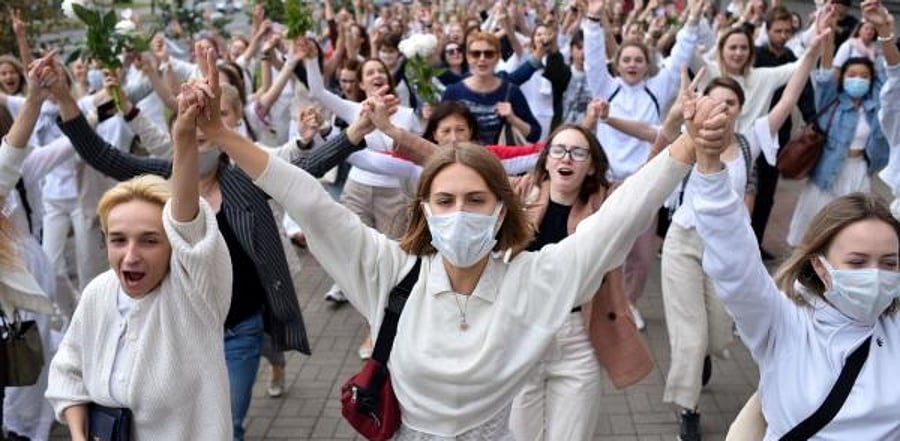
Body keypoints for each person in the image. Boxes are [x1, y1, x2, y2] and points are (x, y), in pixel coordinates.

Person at [191, 46, 730, 439]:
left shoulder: (536, 279)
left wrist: (686, 144)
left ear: (502, 211)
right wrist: (220, 137)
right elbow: (306, 197)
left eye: (475, 201)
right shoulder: (389, 270)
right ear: (425, 210)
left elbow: (620, 217)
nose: (459, 214)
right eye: (445, 201)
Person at [49, 47, 374, 441]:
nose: (203, 135)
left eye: (213, 125)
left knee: (228, 424)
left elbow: (302, 171)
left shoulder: (243, 179)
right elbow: (103, 155)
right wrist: (65, 98)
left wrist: (355, 133)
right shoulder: (161, 183)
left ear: (229, 129)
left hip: (238, 324)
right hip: (178, 327)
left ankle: (274, 364)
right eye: (193, 133)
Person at [660, 19, 830, 439]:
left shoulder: (753, 139)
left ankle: (700, 358)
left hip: (728, 252)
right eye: (714, 102)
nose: (722, 109)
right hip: (682, 244)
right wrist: (676, 117)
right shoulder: (688, 136)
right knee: (691, 335)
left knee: (719, 333)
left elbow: (789, 94)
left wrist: (812, 48)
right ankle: (688, 408)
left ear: (739, 108)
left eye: (730, 103)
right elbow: (658, 141)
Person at [690, 109, 900, 440]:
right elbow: (735, 262)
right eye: (857, 262)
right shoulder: (782, 323)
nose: (875, 276)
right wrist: (708, 166)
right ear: (820, 266)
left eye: (889, 264)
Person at [46, 72, 234, 440]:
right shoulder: (99, 291)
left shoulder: (193, 297)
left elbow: (188, 225)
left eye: (149, 241)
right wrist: (79, 432)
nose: (130, 256)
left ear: (173, 246)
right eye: (118, 240)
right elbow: (69, 369)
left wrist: (183, 138)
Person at [508, 124, 652, 440]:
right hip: (521, 335)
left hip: (577, 339)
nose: (567, 158)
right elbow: (460, 170)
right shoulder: (522, 193)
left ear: (590, 167)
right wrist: (393, 132)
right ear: (546, 160)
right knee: (518, 435)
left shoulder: (605, 203)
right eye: (559, 150)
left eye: (578, 152)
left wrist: (671, 127)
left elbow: (649, 182)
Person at [786, 1, 899, 247]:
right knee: (812, 231)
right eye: (852, 75)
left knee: (846, 233)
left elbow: (891, 77)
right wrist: (828, 35)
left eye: (864, 76)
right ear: (843, 78)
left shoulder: (876, 110)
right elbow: (827, 71)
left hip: (859, 173)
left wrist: (883, 31)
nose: (858, 80)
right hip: (827, 173)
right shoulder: (832, 101)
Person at [440, 31, 542, 145]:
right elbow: (439, 133)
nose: (482, 59)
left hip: (501, 160)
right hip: (464, 160)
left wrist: (513, 119)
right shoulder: (453, 92)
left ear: (497, 57)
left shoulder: (510, 91)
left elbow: (535, 134)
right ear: (468, 57)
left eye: (489, 54)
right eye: (476, 54)